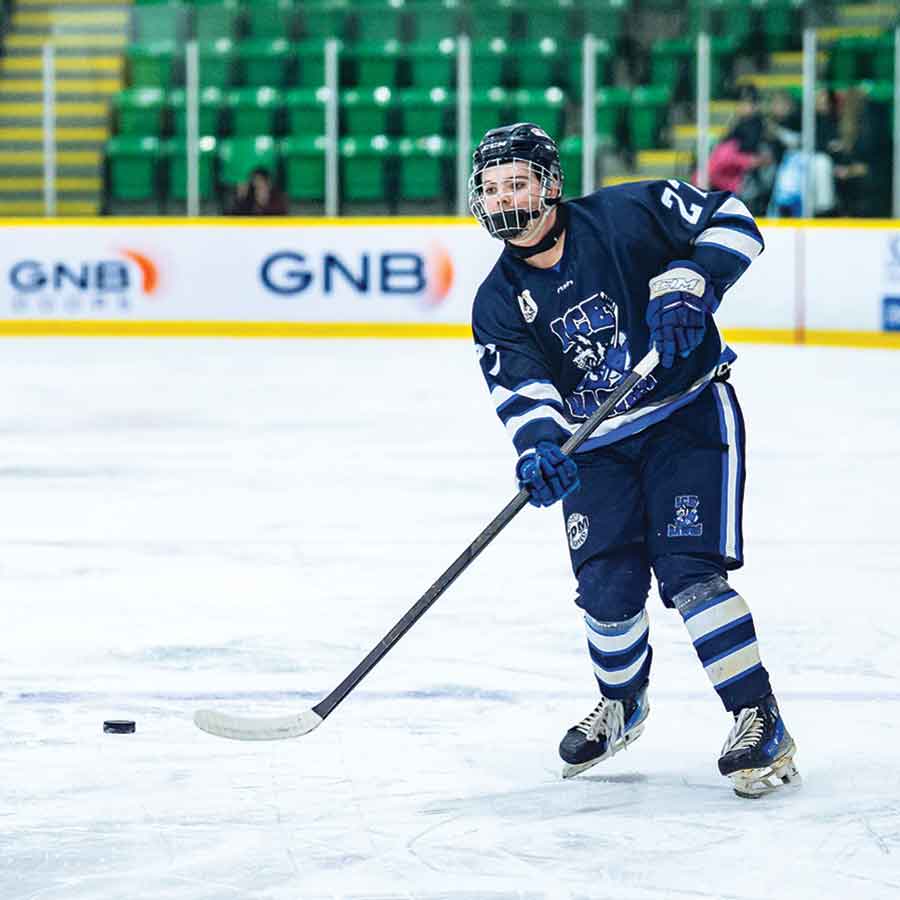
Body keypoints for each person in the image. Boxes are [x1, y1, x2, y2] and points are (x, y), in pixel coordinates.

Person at [469, 122, 800, 799]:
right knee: (606, 591)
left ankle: (757, 718)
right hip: (597, 447)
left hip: (686, 416)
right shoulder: (497, 301)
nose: (504, 199)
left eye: (517, 183)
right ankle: (622, 703)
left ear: (550, 185)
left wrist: (691, 280)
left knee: (689, 573)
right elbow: (524, 390)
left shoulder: (625, 214)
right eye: (491, 188)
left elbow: (732, 219)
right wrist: (540, 449)